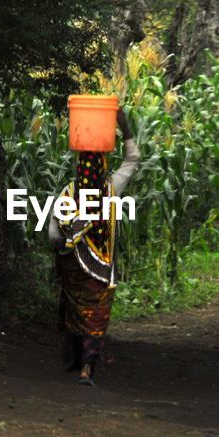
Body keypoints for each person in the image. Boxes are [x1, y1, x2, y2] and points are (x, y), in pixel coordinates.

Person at [48, 108, 140, 385]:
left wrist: (65, 245)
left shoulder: (68, 193)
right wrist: (125, 126)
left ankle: (75, 359)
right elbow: (133, 160)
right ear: (101, 167)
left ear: (78, 167)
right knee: (96, 315)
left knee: (76, 311)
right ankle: (87, 366)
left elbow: (54, 235)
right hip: (100, 270)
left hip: (72, 267)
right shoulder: (111, 190)